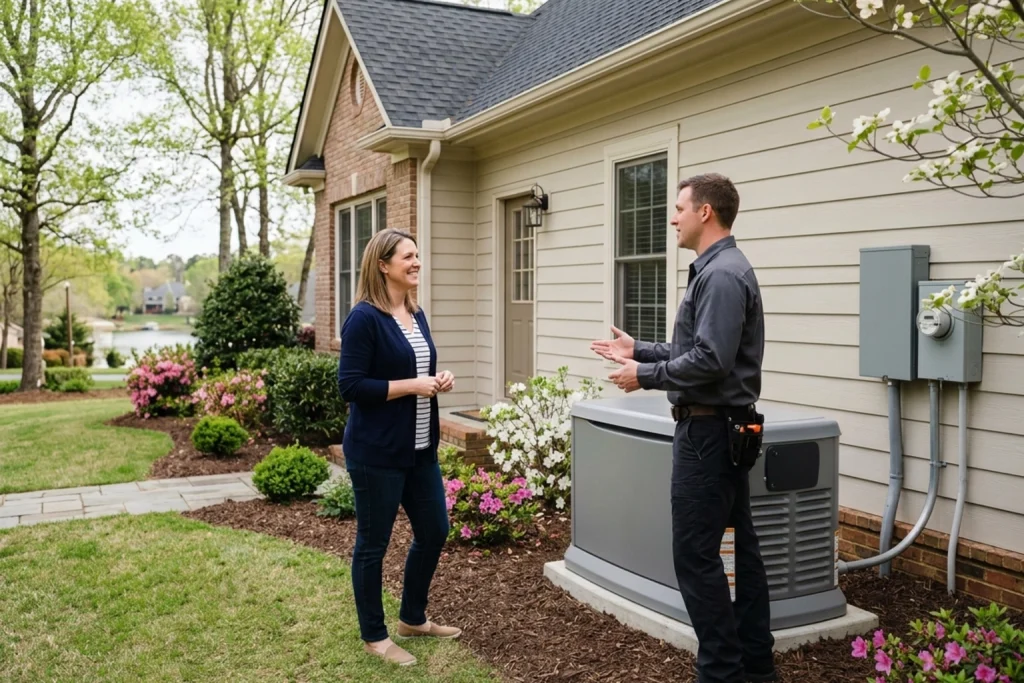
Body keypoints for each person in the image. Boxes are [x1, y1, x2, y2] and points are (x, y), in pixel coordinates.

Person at [590, 173, 776, 683]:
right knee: (736, 549)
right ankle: (755, 665)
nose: (672, 218)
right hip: (727, 432)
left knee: (697, 557)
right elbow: (700, 349)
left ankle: (722, 672)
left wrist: (643, 375)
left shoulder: (720, 275)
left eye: (678, 208)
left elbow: (711, 361)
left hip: (709, 438)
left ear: (705, 213)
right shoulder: (721, 270)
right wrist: (641, 350)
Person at [336, 228, 461, 667]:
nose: (416, 263)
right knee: (373, 543)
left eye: (417, 256)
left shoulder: (415, 313)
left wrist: (438, 379)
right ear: (383, 265)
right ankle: (375, 635)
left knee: (434, 531)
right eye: (407, 257)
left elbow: (418, 368)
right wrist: (413, 385)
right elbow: (350, 385)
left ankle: (412, 618)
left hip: (419, 449)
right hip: (377, 453)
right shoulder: (363, 319)